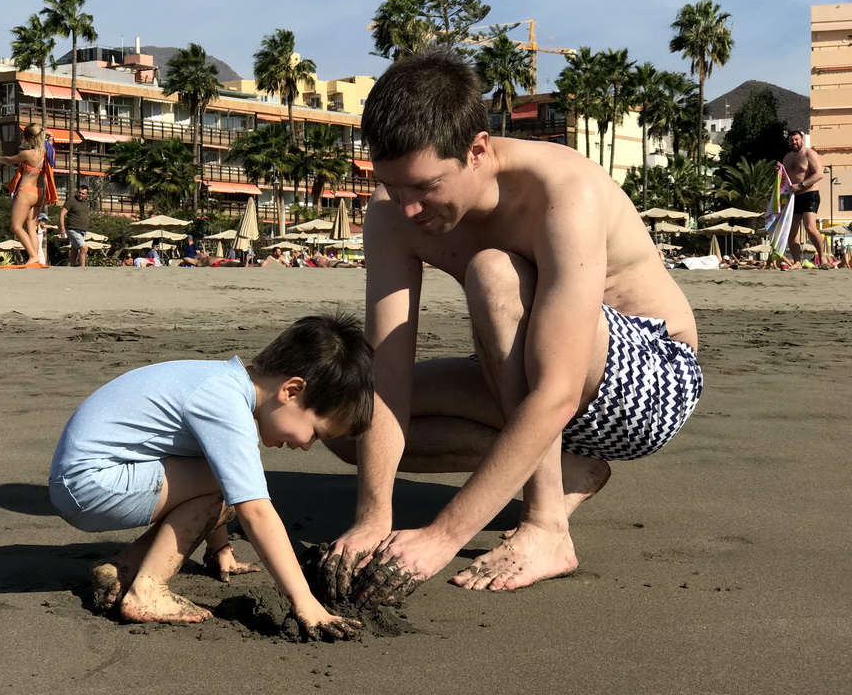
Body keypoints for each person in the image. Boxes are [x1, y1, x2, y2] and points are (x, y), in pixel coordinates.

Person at [318, 49, 702, 607]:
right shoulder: (393, 215)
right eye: (392, 187)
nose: (406, 208)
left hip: (648, 382)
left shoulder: (561, 190)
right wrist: (373, 518)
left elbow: (557, 392)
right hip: (533, 376)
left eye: (425, 187)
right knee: (345, 425)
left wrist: (443, 536)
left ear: (477, 149)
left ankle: (547, 526)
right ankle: (568, 471)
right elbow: (386, 378)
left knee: (493, 272)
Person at [48, 313, 373, 636]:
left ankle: (125, 568)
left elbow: (205, 473)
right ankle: (147, 592)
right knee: (239, 488)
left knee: (229, 481)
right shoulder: (226, 406)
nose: (306, 446)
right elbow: (254, 512)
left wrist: (220, 549)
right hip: (93, 484)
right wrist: (306, 604)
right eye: (315, 433)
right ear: (290, 391)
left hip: (86, 479)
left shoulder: (220, 381)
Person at [0, 123, 49, 265]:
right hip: (38, 193)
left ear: (29, 138)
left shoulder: (27, 154)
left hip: (25, 192)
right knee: (32, 228)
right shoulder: (46, 153)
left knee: (16, 226)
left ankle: (33, 256)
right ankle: (35, 258)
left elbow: (8, 160)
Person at [783, 130, 830, 269]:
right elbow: (784, 177)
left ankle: (822, 257)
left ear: (802, 140)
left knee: (810, 227)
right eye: (792, 140)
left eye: (796, 139)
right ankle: (797, 261)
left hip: (809, 193)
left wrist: (801, 184)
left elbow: (819, 174)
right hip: (793, 197)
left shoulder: (809, 154)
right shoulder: (787, 157)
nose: (794, 142)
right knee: (791, 231)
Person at [60, 183, 90, 267]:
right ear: (77, 192)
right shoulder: (71, 201)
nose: (81, 195)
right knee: (84, 248)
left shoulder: (85, 202)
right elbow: (62, 214)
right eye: (79, 193)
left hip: (82, 230)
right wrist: (62, 228)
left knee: (74, 251)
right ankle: (83, 268)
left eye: (83, 193)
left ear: (86, 194)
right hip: (73, 229)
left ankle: (70, 268)